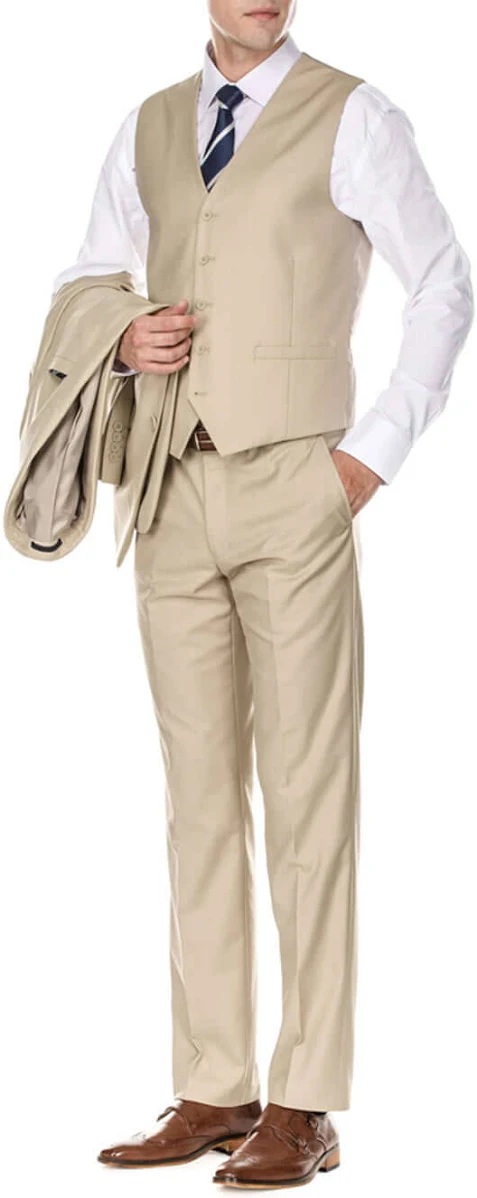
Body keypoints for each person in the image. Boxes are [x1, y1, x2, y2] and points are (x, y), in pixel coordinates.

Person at [51, 1, 473, 1188]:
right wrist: (123, 334)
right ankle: (215, 1084)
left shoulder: (355, 114)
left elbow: (444, 282)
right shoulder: (147, 125)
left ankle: (305, 1100)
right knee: (196, 801)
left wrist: (368, 458)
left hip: (299, 484)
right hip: (169, 490)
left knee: (307, 798)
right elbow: (87, 276)